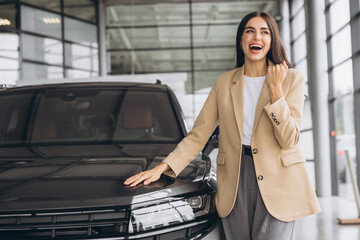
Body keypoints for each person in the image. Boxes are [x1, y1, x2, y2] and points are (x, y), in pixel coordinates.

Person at [124, 11, 321, 240]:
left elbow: (289, 139)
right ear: (241, 40)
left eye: (264, 32)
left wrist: (276, 91)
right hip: (235, 179)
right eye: (250, 31)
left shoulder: (291, 79)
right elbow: (198, 135)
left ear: (271, 40)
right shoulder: (225, 83)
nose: (256, 37)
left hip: (279, 180)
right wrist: (163, 167)